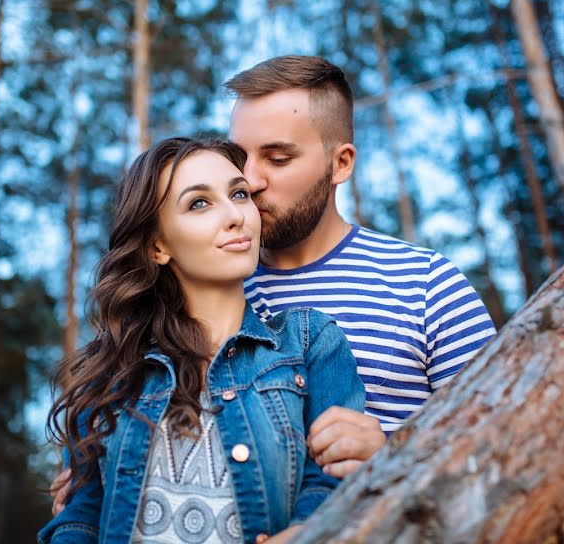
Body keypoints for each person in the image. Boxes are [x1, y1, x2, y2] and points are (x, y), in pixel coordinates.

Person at [51, 55, 496, 512]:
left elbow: (505, 454)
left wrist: (395, 460)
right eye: (240, 159)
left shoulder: (426, 284)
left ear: (340, 163)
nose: (251, 180)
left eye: (278, 158)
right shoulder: (199, 282)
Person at [38, 137, 365, 544]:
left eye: (239, 194)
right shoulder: (110, 375)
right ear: (158, 246)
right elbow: (77, 520)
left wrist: (303, 532)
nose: (235, 216)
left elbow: (333, 481)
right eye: (199, 203)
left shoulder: (310, 342)